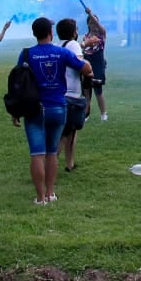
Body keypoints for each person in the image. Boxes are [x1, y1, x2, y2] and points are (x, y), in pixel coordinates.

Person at [14, 17, 91, 205]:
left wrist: (15, 111)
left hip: (34, 109)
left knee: (37, 154)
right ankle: (50, 193)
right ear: (50, 33)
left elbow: (17, 84)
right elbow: (86, 68)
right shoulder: (62, 52)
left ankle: (40, 198)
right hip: (58, 107)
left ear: (34, 34)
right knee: (51, 153)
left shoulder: (26, 54)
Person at [56, 19, 87, 173]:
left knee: (69, 131)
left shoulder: (57, 45)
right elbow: (80, 65)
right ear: (73, 31)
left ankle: (70, 163)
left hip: (59, 92)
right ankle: (51, 163)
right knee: (65, 133)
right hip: (72, 94)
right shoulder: (73, 44)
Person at [81, 7, 108, 121]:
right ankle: (86, 114)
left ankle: (103, 114)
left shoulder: (102, 34)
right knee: (86, 91)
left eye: (95, 22)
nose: (94, 24)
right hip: (87, 63)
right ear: (88, 24)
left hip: (98, 64)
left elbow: (100, 27)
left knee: (98, 90)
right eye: (91, 22)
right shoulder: (85, 37)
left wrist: (90, 14)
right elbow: (82, 50)